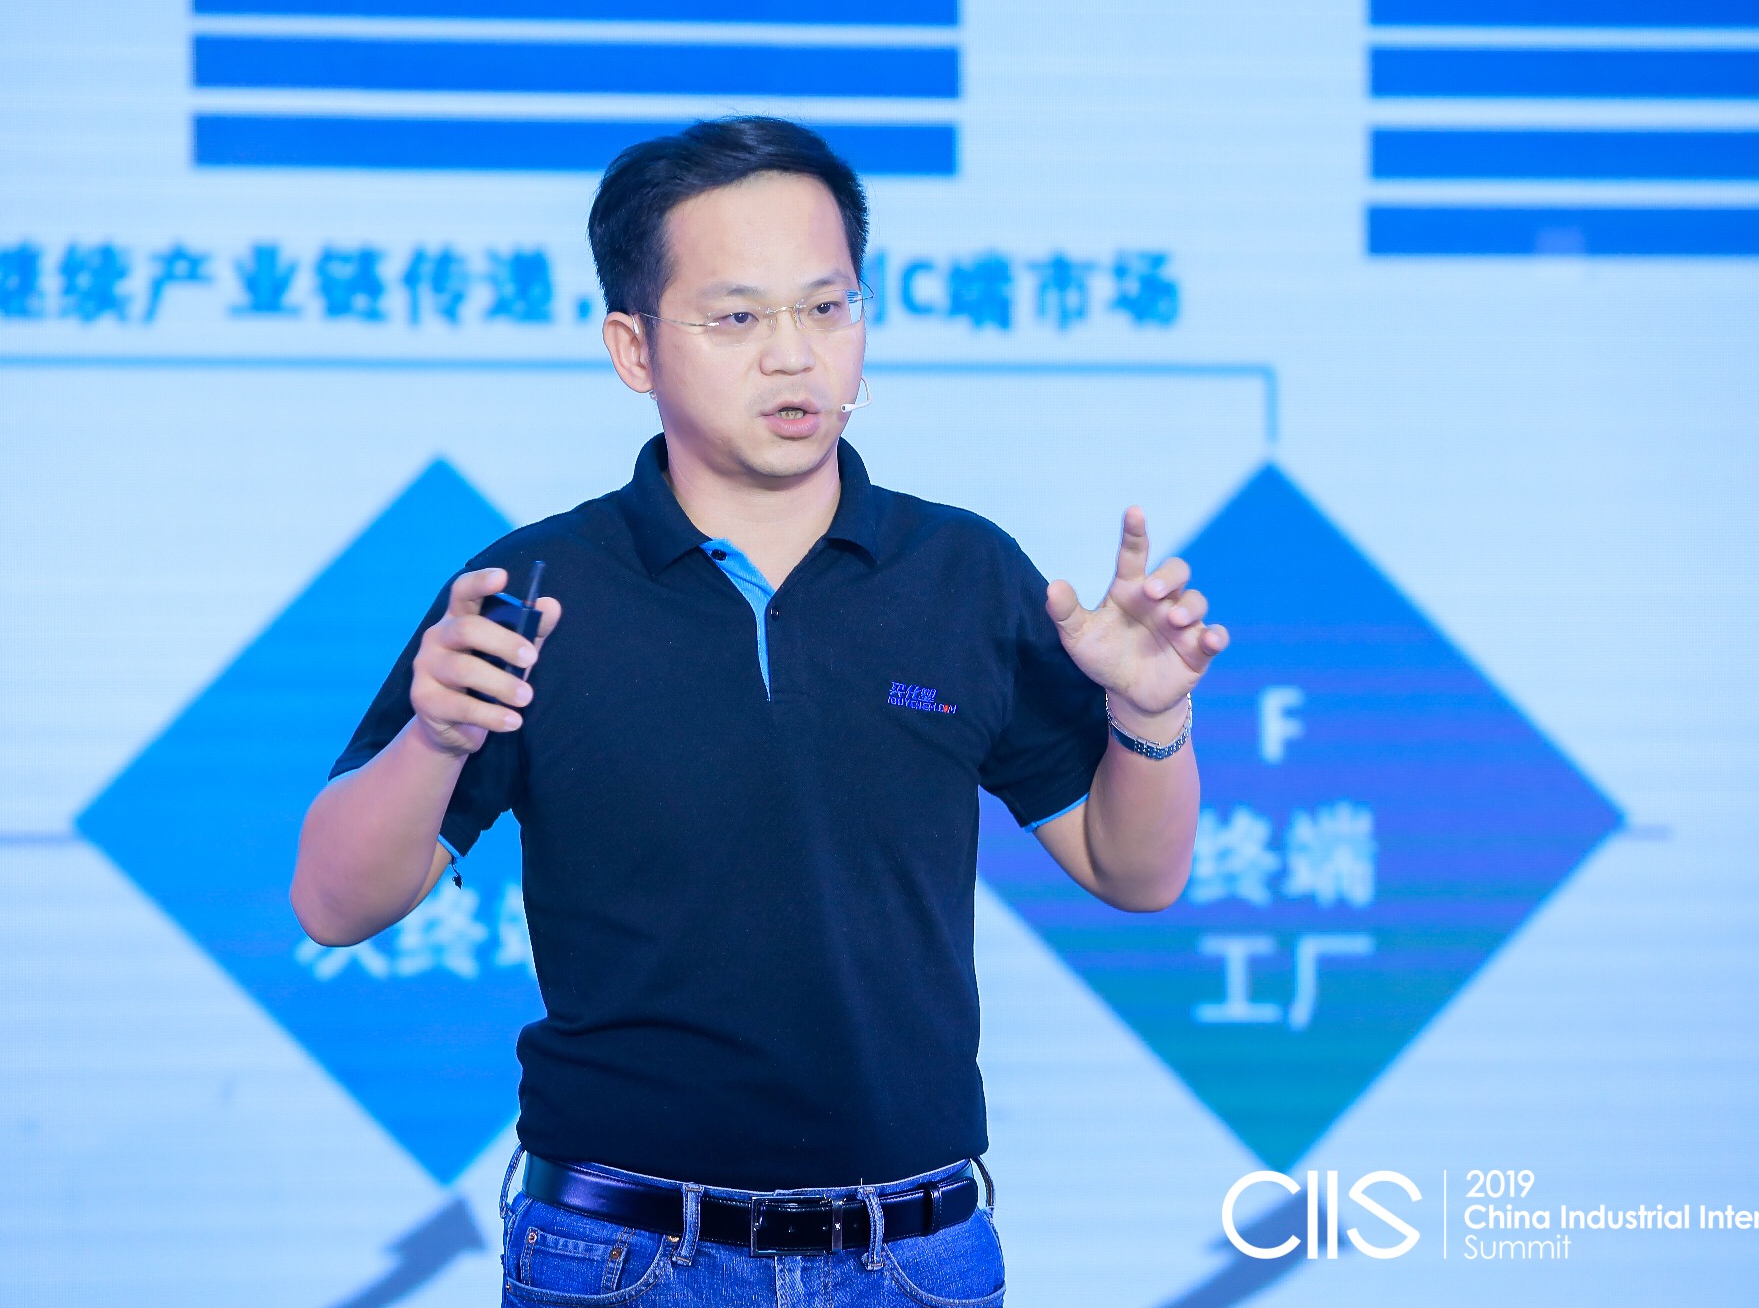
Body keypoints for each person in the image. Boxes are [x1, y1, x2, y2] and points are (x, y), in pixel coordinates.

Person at [291, 116, 1227, 1307]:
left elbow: (1133, 870)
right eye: (736, 319)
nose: (793, 356)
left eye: (826, 308)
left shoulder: (963, 574)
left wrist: (1148, 716)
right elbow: (332, 905)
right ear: (632, 347)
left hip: (916, 1257)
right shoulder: (533, 590)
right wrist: (434, 736)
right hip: (622, 1258)